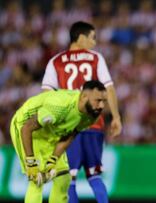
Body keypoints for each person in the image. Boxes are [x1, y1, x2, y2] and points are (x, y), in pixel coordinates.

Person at [41, 21, 122, 203]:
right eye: (92, 38)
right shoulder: (95, 58)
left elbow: (47, 94)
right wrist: (116, 117)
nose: (94, 42)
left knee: (69, 179)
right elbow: (109, 88)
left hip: (70, 126)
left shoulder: (56, 61)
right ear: (81, 38)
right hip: (94, 124)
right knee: (94, 176)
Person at [10, 80, 107, 203]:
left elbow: (71, 134)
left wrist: (53, 159)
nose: (102, 106)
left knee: (64, 178)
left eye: (104, 101)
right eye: (98, 100)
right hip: (27, 127)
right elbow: (26, 129)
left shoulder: (91, 115)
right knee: (37, 180)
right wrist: (31, 163)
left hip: (50, 132)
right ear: (84, 97)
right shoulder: (60, 106)